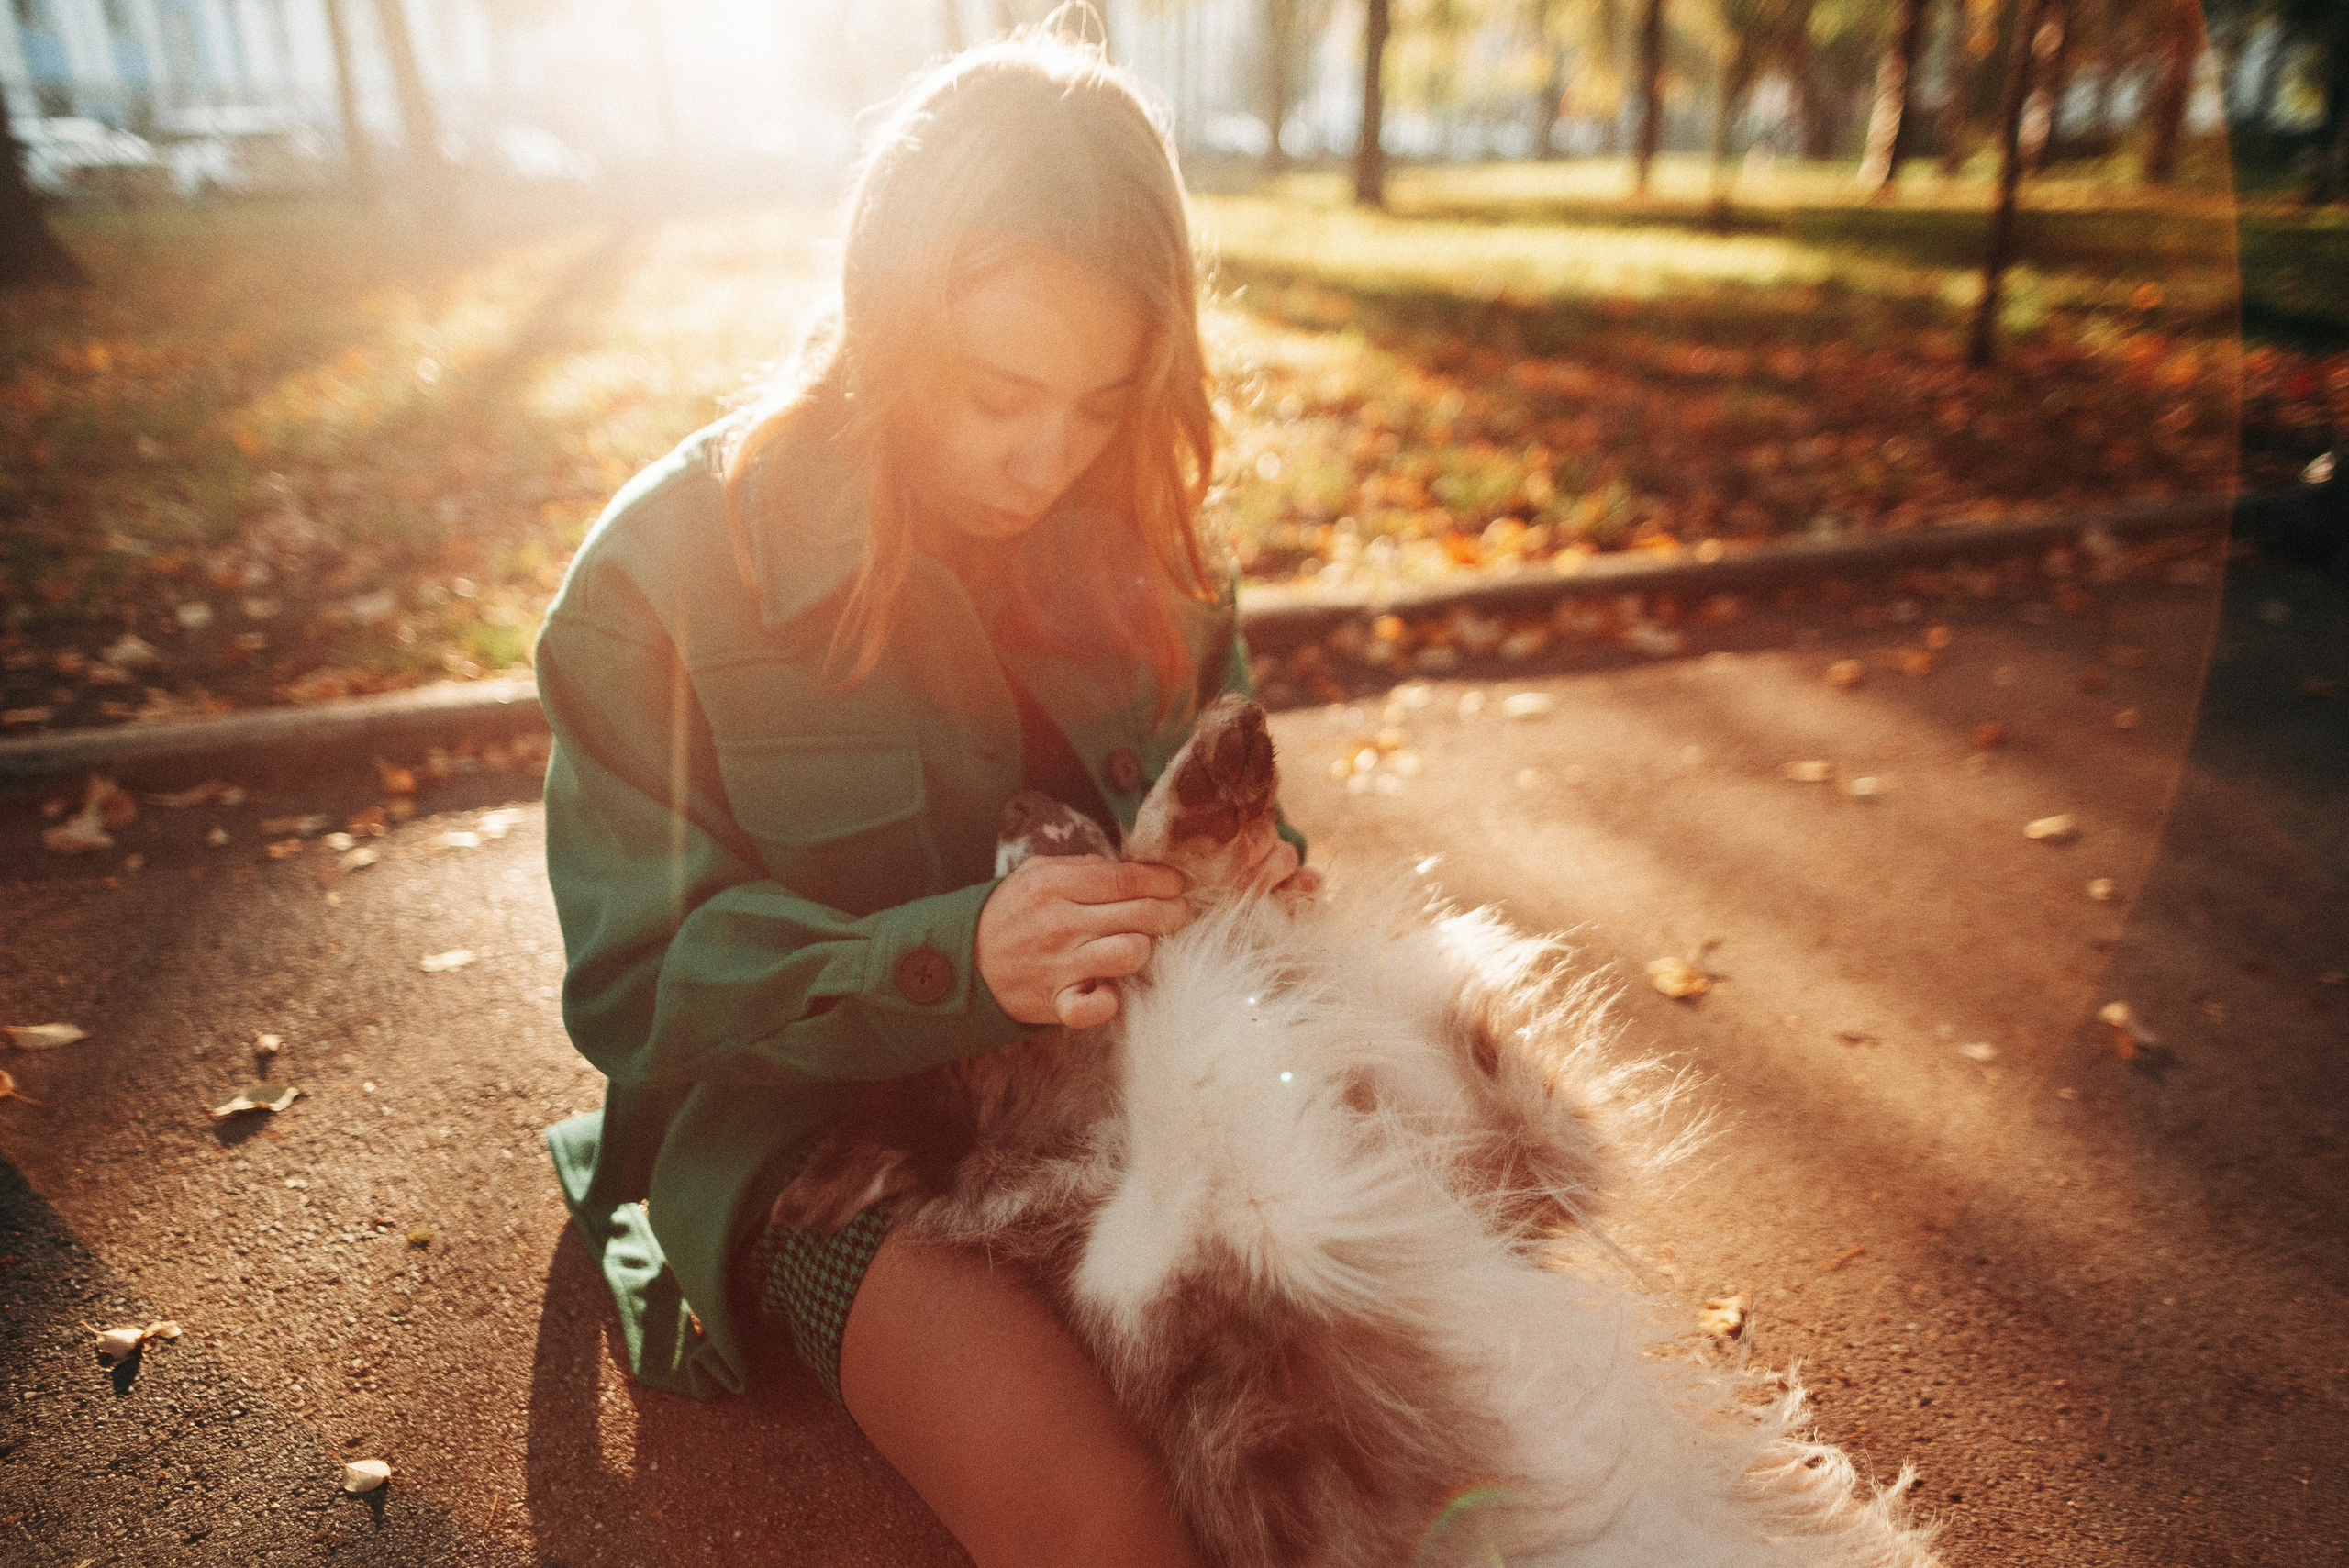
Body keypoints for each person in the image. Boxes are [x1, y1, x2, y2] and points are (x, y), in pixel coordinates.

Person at [535, 29, 1310, 1567]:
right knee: (1116, 1521)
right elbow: (637, 984)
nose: (1047, 456)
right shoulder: (669, 574)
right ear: (885, 315)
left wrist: (1260, 878)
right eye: (996, 388)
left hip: (1144, 1097)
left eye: (1100, 400)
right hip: (821, 1141)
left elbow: (1236, 834)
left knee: (1395, 1417)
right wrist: (962, 958)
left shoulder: (1147, 529)